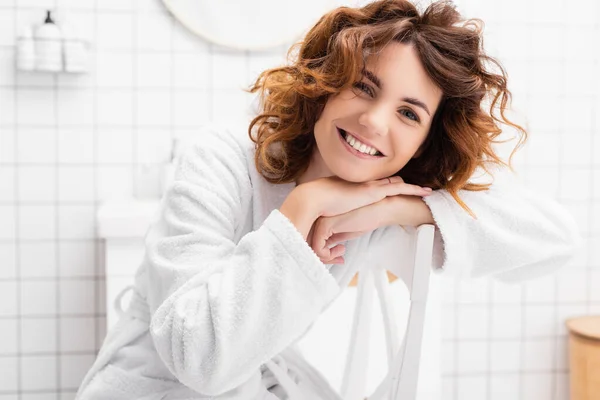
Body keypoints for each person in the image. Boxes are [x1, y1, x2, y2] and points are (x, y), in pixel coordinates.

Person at [75, 0, 582, 399]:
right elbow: (201, 360)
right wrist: (302, 209)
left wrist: (400, 208)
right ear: (325, 85)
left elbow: (556, 239)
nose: (374, 122)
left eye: (409, 114)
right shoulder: (222, 154)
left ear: (427, 140)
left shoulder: (380, 193)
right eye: (363, 87)